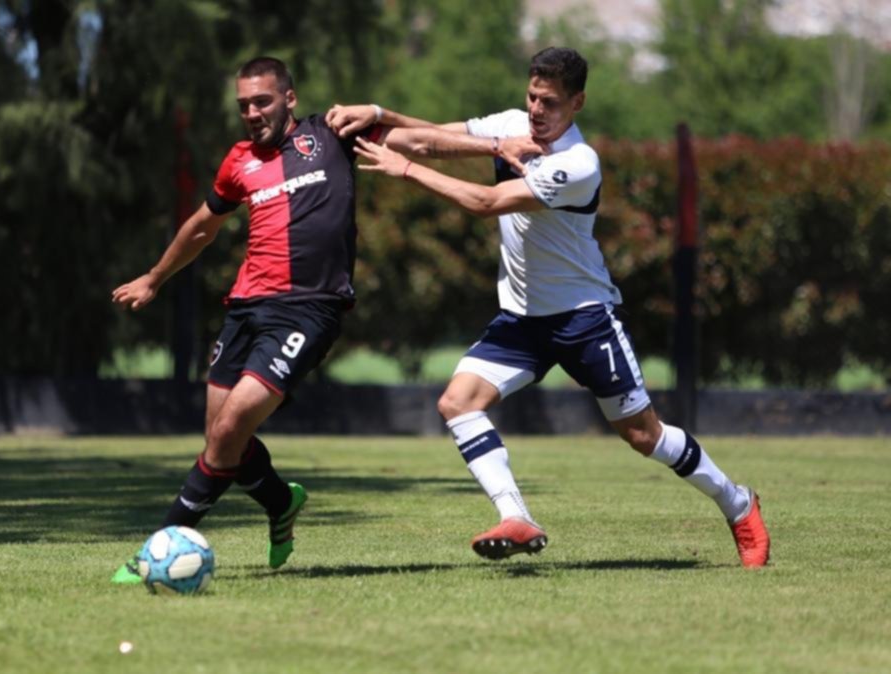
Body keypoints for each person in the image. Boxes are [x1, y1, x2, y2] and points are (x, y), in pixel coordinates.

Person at [327, 47, 771, 568]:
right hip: (522, 317)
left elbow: (485, 203)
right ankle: (515, 516)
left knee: (643, 435)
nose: (538, 111)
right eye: (533, 97)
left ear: (578, 102)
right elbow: (427, 138)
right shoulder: (511, 126)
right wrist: (377, 118)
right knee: (458, 402)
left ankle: (738, 504)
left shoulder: (577, 164)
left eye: (552, 103)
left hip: (584, 316)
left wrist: (405, 169)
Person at [109, 57, 538, 583]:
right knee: (224, 442)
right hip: (245, 308)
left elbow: (419, 142)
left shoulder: (332, 133)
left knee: (228, 431)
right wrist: (154, 278)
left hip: (311, 307)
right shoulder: (239, 160)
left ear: (289, 98)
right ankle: (278, 501)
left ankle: (155, 548)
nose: (251, 112)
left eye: (262, 101)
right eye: (243, 105)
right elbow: (203, 225)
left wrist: (498, 145)